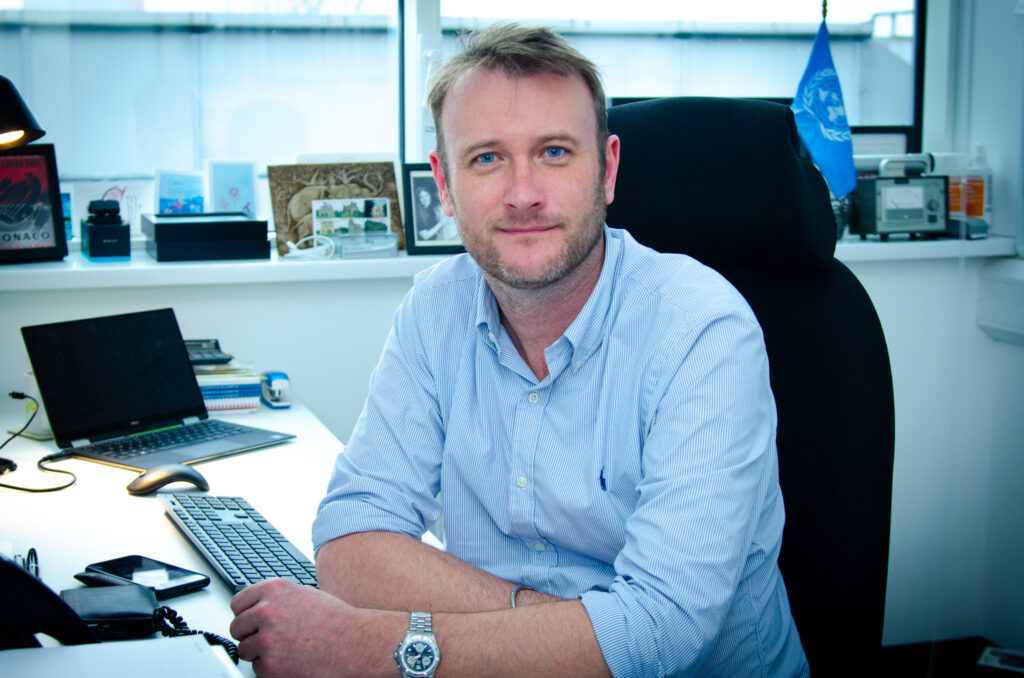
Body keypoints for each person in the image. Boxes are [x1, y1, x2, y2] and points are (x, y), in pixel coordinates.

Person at [229, 23, 809, 678]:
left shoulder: (702, 331)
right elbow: (350, 540)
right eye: (486, 158)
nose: (524, 193)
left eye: (555, 152)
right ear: (443, 186)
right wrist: (544, 625)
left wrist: (379, 645)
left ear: (608, 169)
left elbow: (659, 633)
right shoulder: (433, 312)